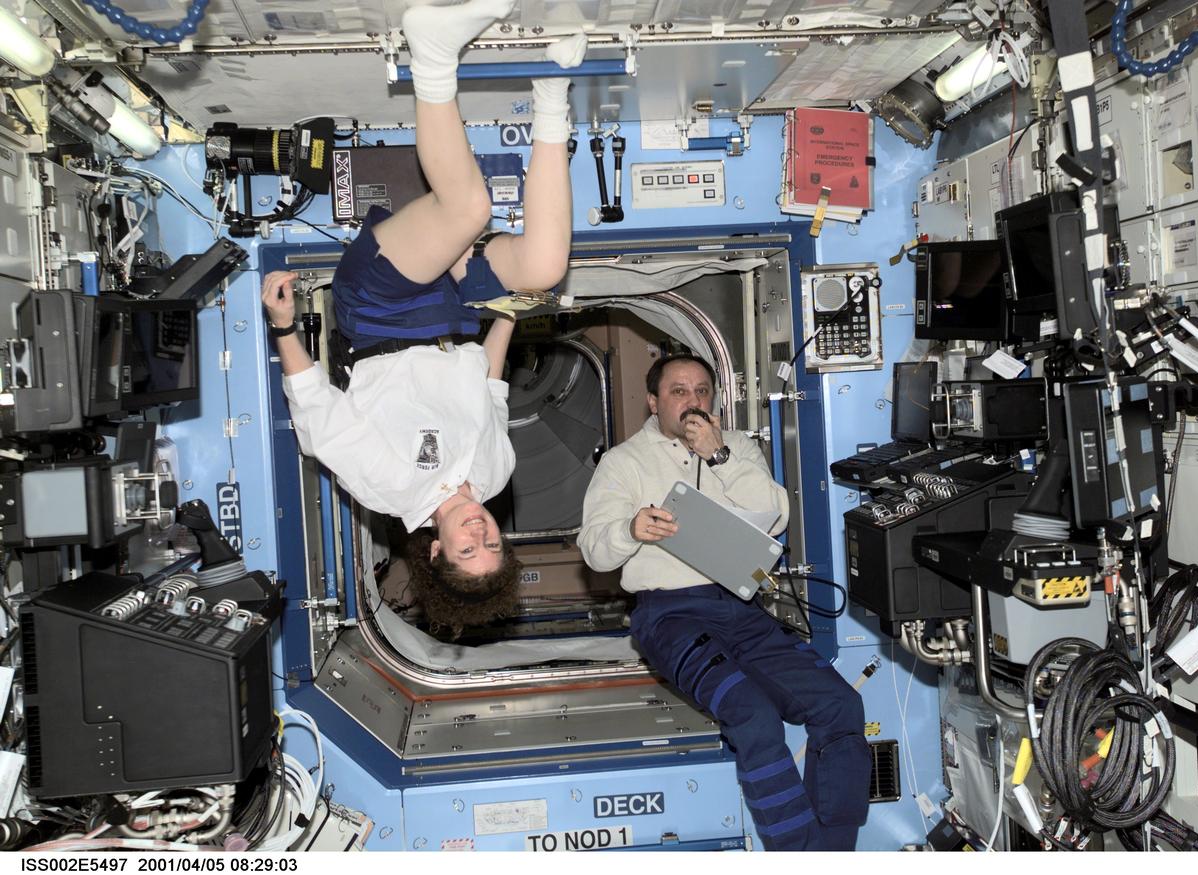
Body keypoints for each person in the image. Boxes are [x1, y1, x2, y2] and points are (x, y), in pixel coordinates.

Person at [262, 0, 584, 634]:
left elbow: (316, 418)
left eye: (468, 549)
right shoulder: (496, 474)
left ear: (436, 553)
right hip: (458, 316)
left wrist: (283, 330)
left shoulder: (387, 492)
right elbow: (490, 383)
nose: (481, 533)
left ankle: (431, 53)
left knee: (468, 207)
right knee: (545, 266)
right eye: (493, 544)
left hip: (380, 316)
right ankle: (552, 92)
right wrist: (513, 311)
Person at [578, 353, 872, 851]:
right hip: (669, 616)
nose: (693, 402)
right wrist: (630, 530)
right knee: (752, 715)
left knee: (840, 704)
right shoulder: (623, 462)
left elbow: (776, 516)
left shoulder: (735, 448)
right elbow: (594, 550)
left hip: (739, 608)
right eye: (678, 391)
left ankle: (835, 850)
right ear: (653, 402)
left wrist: (720, 457)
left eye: (702, 391)